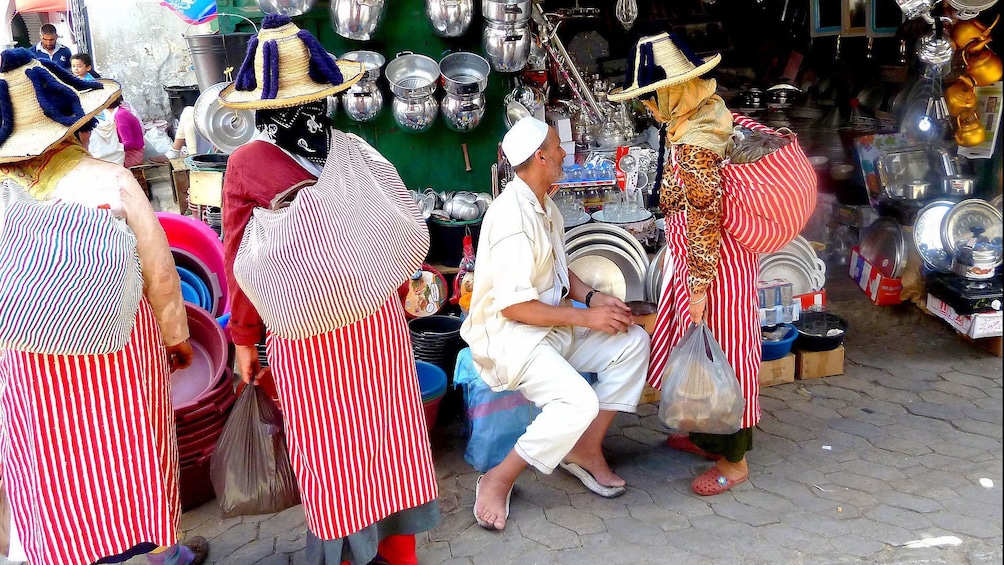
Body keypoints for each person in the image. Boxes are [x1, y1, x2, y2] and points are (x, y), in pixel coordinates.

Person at [219, 15, 439, 565]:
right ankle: (383, 553)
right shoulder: (344, 151)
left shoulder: (266, 162)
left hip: (331, 340)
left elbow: (241, 262)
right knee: (373, 448)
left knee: (350, 454)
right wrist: (246, 336)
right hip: (354, 334)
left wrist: (245, 339)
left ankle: (369, 552)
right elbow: (397, 227)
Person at [0, 49, 207, 565]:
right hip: (118, 359)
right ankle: (158, 550)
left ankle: (70, 548)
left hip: (31, 368)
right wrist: (176, 336)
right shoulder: (107, 179)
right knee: (132, 452)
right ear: (72, 126)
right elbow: (159, 268)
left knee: (52, 468)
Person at [609, 32, 814, 496]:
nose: (649, 108)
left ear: (672, 91)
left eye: (651, 97)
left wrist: (698, 288)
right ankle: (706, 433)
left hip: (717, 267)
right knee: (704, 351)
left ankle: (733, 460)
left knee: (728, 354)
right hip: (711, 261)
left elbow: (705, 218)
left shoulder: (697, 143)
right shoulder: (705, 112)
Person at [461, 116, 650, 531]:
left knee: (632, 341)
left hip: (550, 329)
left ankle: (584, 449)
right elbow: (514, 308)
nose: (565, 153)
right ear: (541, 157)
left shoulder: (544, 205)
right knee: (576, 401)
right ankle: (499, 478)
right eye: (557, 147)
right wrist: (587, 317)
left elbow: (562, 277)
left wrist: (594, 299)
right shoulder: (512, 218)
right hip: (514, 339)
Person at [108, 95, 145, 167]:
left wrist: (110, 150)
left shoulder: (120, 116)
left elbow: (129, 144)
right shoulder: (117, 113)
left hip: (132, 154)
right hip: (127, 152)